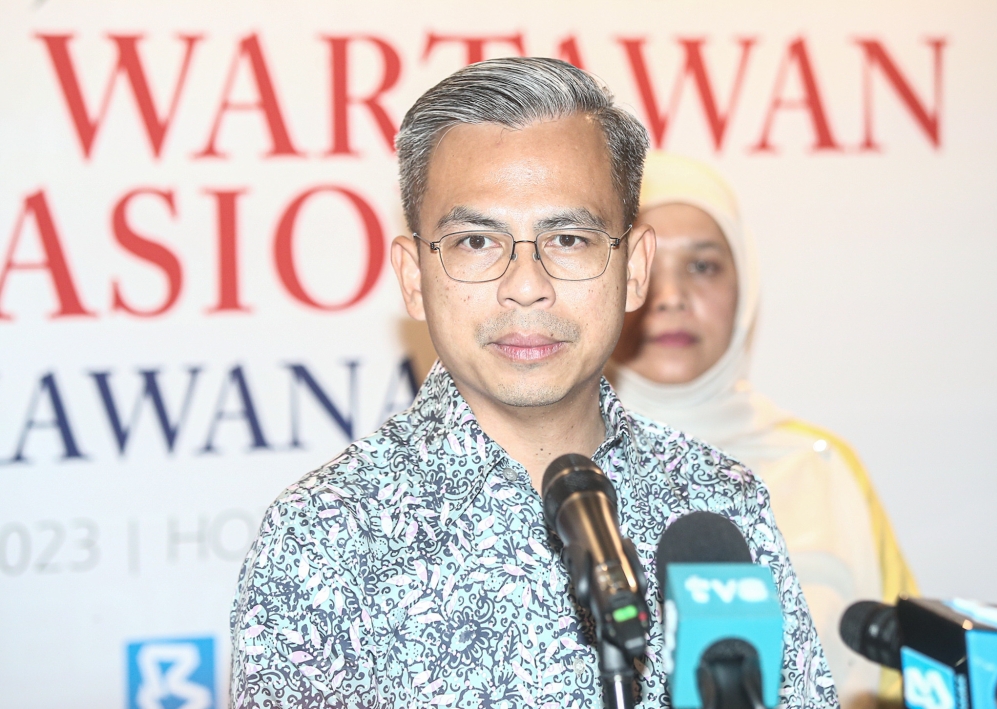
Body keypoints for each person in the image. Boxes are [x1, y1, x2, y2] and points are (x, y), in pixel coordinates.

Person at [230, 59, 837, 709]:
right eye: (476, 241)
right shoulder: (326, 536)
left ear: (634, 269)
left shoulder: (719, 508)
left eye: (569, 237)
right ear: (413, 276)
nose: (525, 284)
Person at [610, 152, 917, 709]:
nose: (672, 296)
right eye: (645, 267)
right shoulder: (557, 476)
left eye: (703, 266)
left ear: (744, 285)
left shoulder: (819, 468)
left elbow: (908, 679)